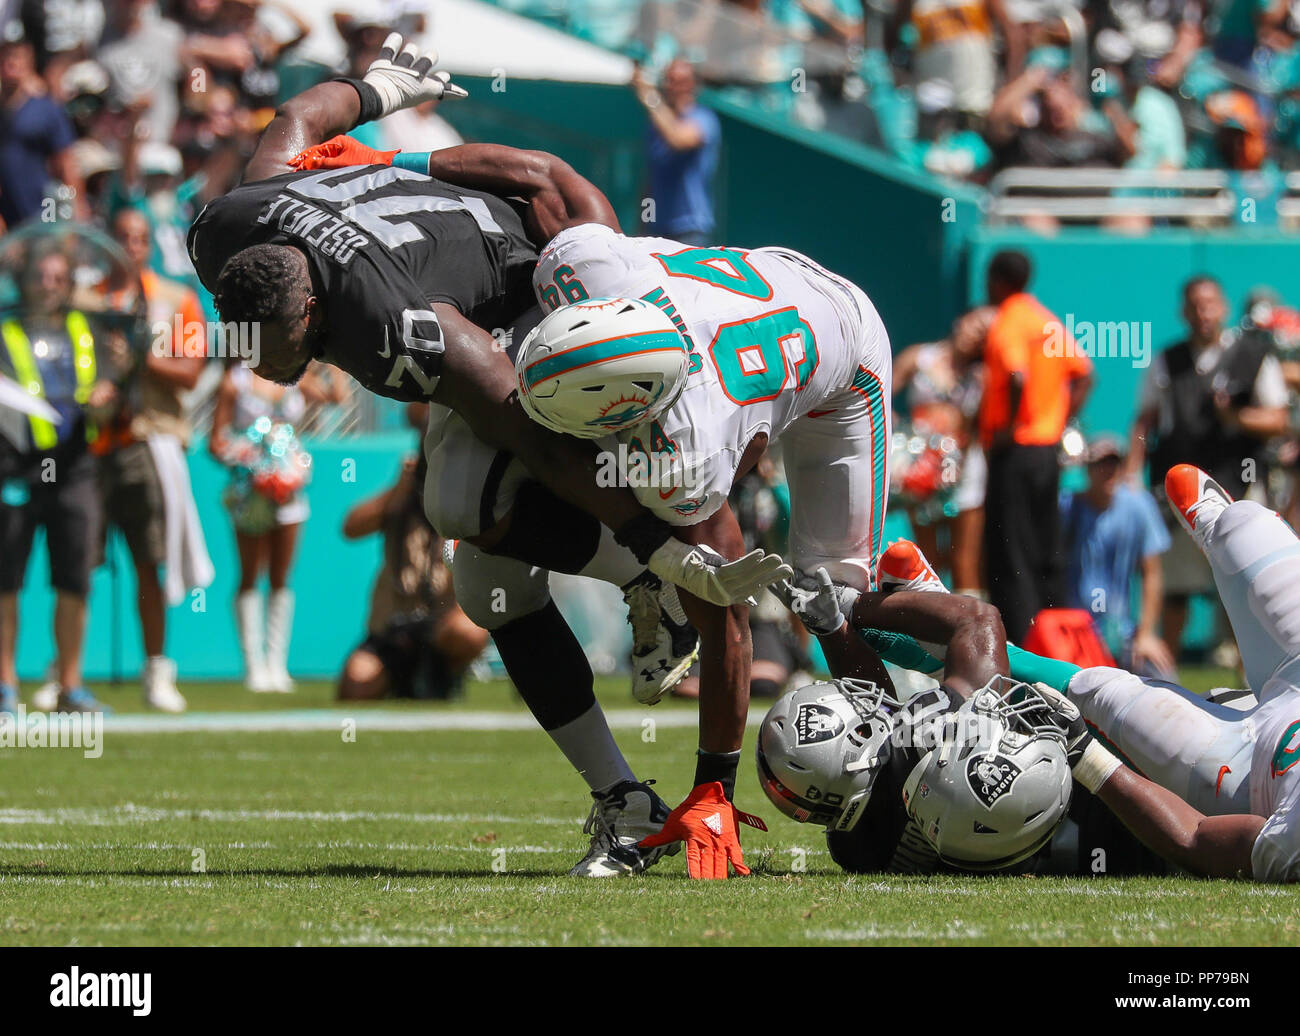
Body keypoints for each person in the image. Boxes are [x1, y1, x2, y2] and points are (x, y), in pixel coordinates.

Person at [186, 33, 786, 881]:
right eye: (243, 344)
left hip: (535, 292)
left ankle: (650, 581)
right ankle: (623, 797)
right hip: (470, 276)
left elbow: (518, 418)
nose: (258, 366)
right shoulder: (229, 225)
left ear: (316, 302)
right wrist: (375, 89)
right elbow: (295, 116)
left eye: (281, 347)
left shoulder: (391, 320)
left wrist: (647, 542)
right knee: (487, 584)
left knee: (464, 508)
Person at [1129, 274, 1287, 658]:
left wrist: (1236, 417)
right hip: (1181, 491)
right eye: (1195, 305)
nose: (1203, 313)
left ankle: (1253, 675)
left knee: (1244, 579)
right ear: (1184, 311)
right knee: (1177, 586)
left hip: (1240, 484)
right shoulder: (1169, 360)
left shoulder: (1252, 355)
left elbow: (1278, 419)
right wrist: (1132, 473)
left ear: (1225, 308)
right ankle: (1165, 671)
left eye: (1210, 303)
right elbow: (1145, 420)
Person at [95, 207, 210, 712]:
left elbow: (192, 371)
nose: (131, 246)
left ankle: (157, 670)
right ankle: (65, 669)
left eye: (139, 238)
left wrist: (145, 356)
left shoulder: (174, 298)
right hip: (91, 444)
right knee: (74, 561)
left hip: (151, 439)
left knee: (151, 559)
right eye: (122, 237)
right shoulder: (85, 300)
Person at [0, 245, 117, 714]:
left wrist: (107, 395)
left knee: (74, 580)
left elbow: (108, 389)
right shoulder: (5, 330)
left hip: (75, 469)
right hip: (13, 469)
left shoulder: (85, 329)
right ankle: (5, 686)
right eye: (39, 276)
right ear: (24, 282)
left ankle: (70, 686)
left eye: (56, 277)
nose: (47, 285)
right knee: (6, 580)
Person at [979, 250, 1092, 642]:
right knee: (1046, 548)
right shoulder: (1045, 321)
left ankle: (1019, 644)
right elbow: (1084, 372)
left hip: (1016, 452)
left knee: (1010, 552)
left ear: (995, 280)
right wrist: (1059, 420)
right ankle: (1056, 640)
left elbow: (1015, 375)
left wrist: (1010, 427)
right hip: (1047, 452)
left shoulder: (1008, 320)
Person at [337, 409, 488, 701]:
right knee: (355, 686)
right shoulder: (399, 498)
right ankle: (406, 681)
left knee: (469, 633)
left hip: (440, 625)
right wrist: (399, 490)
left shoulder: (464, 498)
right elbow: (351, 528)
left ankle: (444, 673)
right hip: (393, 626)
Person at [209, 361, 334, 693]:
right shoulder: (234, 382)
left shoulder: (295, 377)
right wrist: (253, 463)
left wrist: (330, 360)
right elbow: (215, 442)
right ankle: (253, 666)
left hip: (289, 491)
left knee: (281, 576)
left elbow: (336, 396)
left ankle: (277, 664)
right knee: (250, 574)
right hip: (249, 493)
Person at [892, 306, 990, 596]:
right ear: (962, 319)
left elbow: (984, 423)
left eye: (984, 335)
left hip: (965, 469)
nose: (975, 336)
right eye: (975, 325)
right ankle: (927, 632)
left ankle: (968, 633)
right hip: (922, 469)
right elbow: (880, 392)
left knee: (965, 560)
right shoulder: (918, 358)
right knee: (926, 557)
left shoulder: (982, 376)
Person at [1059, 434, 1173, 675]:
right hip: (1074, 631)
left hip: (1122, 632)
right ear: (1088, 470)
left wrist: (1146, 634)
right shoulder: (1067, 507)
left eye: (1114, 464)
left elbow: (1152, 573)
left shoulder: (1139, 505)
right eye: (1101, 464)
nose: (1109, 471)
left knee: (1167, 682)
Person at [0, 27, 86, 230]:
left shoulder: (46, 109)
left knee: (45, 257)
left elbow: (65, 161)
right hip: (5, 215)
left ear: (29, 61)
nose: (10, 64)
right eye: (5, 57)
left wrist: (77, 208)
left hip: (43, 209)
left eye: (16, 57)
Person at [631, 59, 721, 246]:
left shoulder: (703, 118)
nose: (668, 86)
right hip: (656, 229)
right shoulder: (656, 125)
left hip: (689, 230)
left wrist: (650, 98)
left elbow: (678, 139)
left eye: (675, 81)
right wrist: (643, 223)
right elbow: (651, 180)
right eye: (667, 80)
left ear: (691, 85)